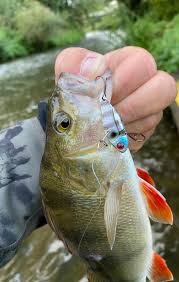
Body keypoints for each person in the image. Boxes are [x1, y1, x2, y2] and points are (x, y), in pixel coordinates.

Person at [0, 47, 177, 267]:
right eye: (65, 124)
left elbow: (62, 173)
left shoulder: (86, 162)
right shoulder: (88, 165)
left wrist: (42, 132)